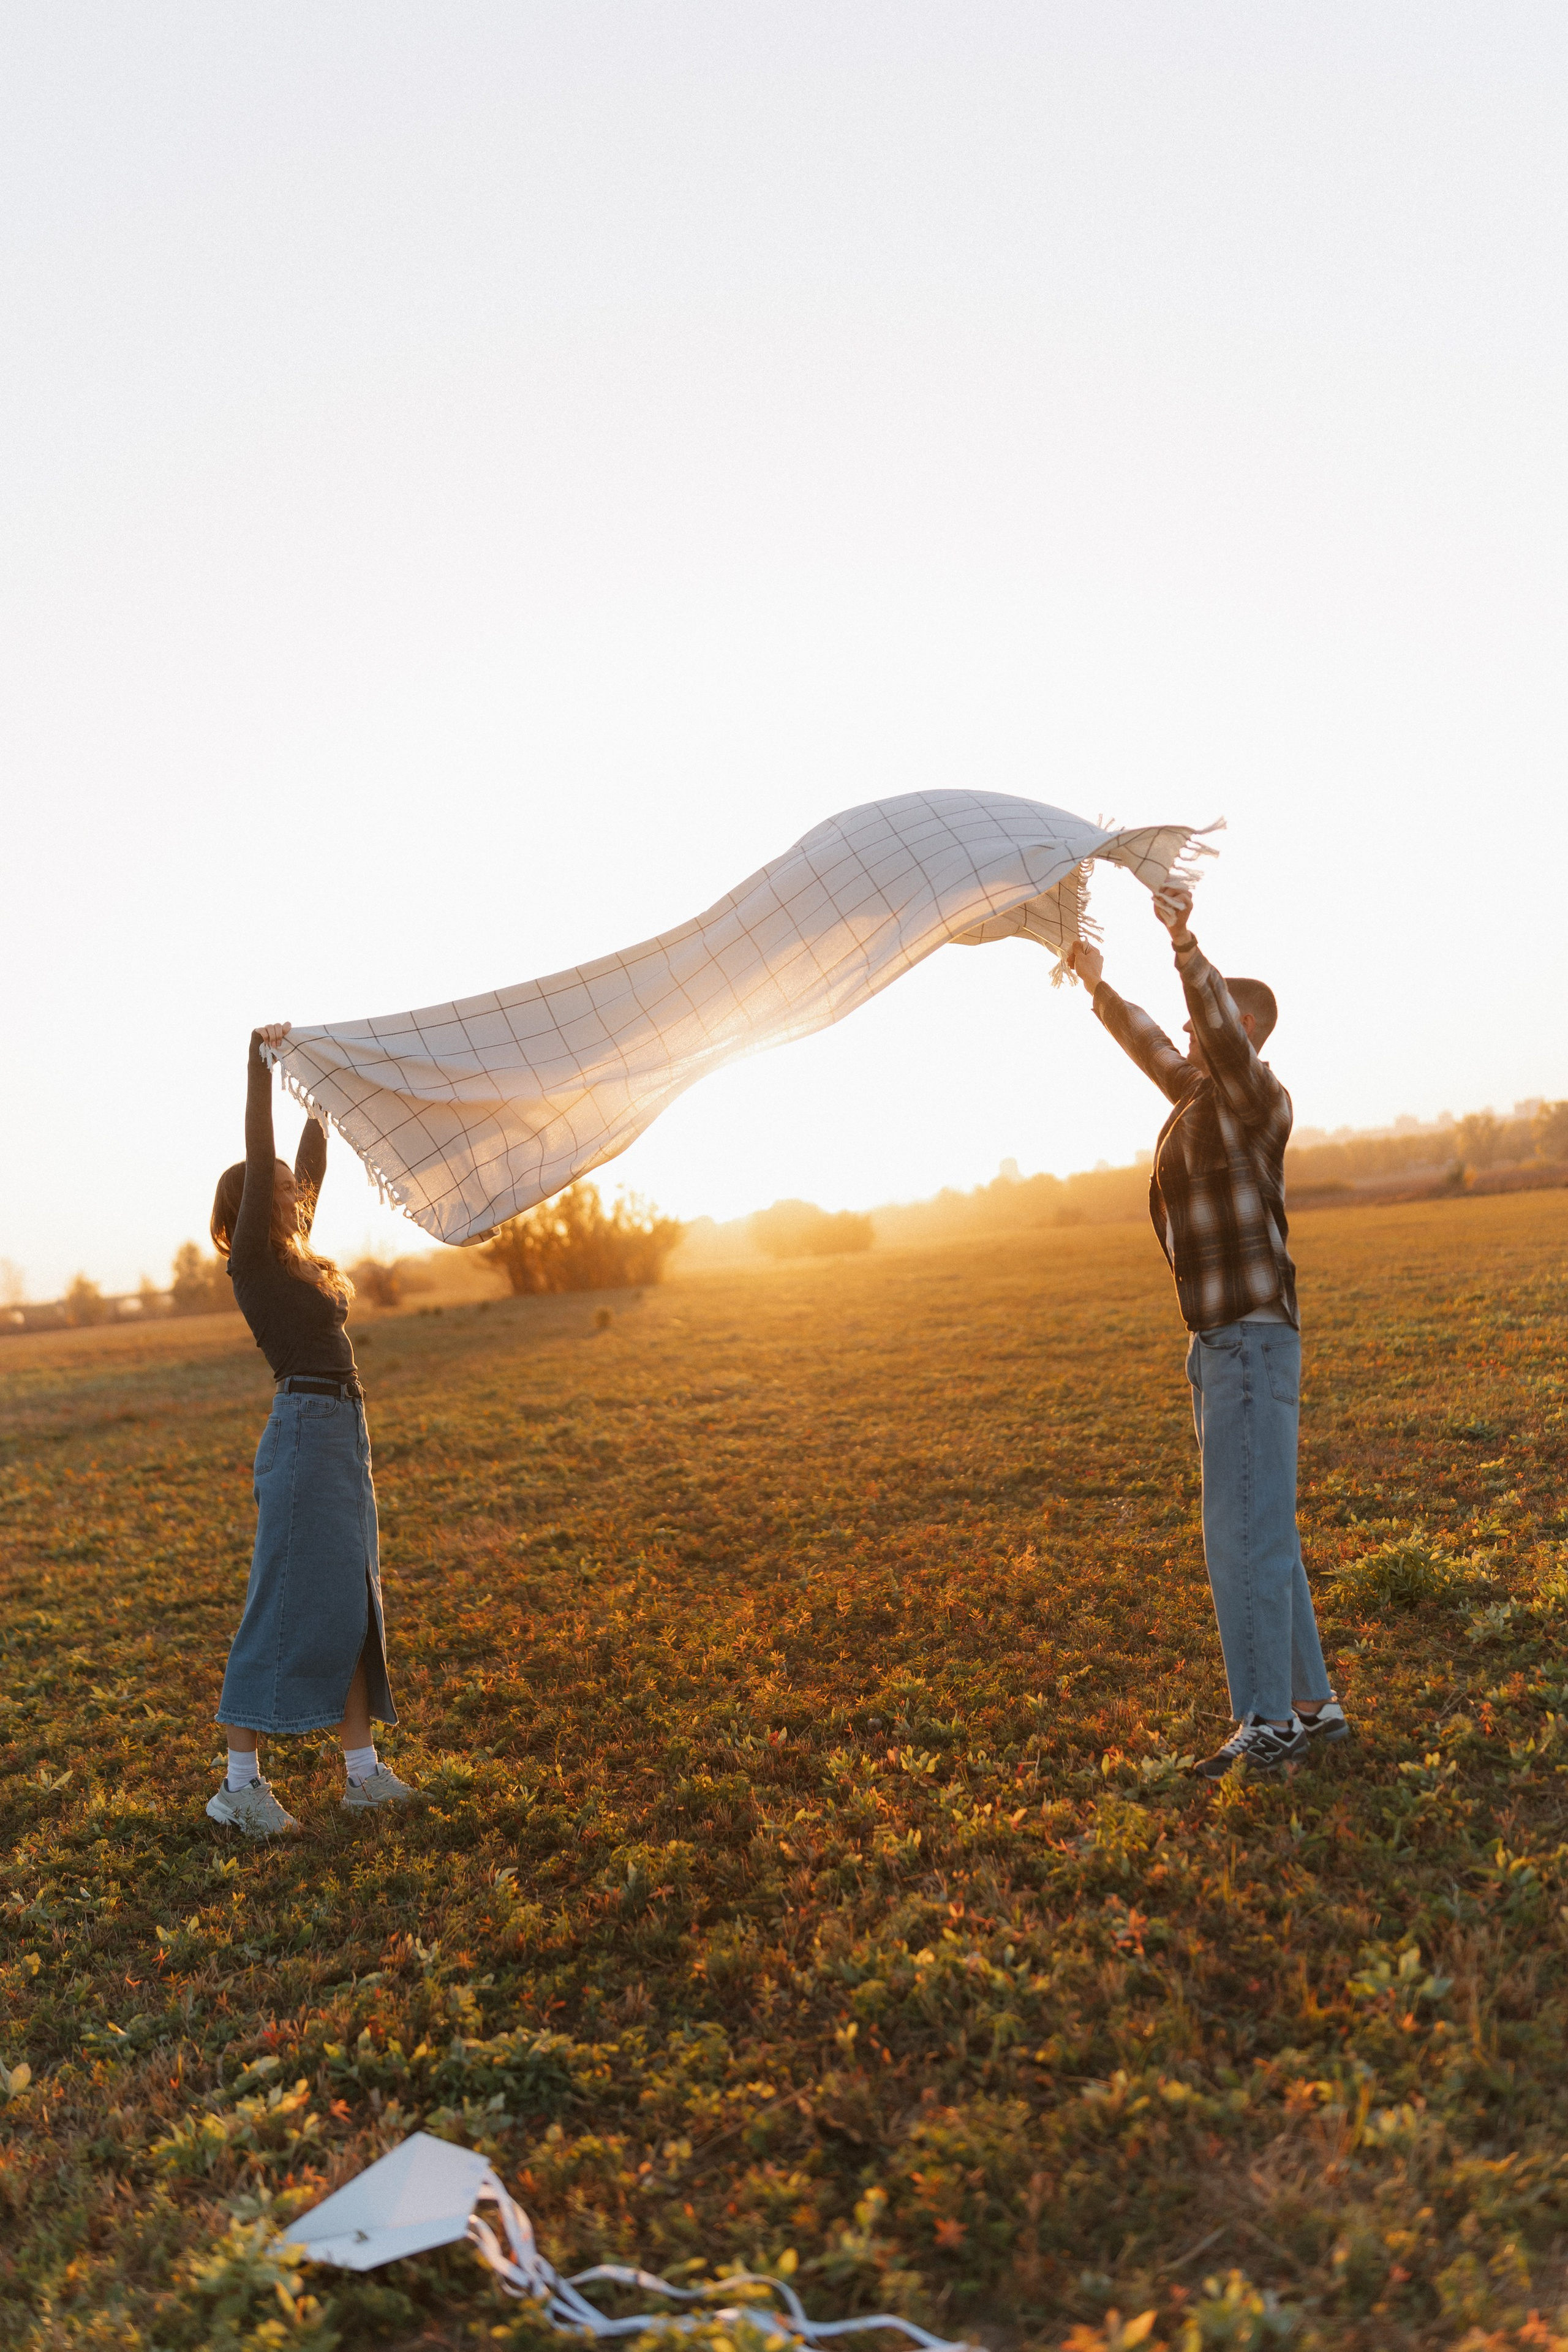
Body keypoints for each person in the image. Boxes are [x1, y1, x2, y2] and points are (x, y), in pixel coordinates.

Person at [1068, 889, 1349, 1779]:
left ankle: (1266, 1726)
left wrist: (1184, 942)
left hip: (1248, 1340)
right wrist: (1096, 985)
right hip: (1221, 1346)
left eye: (1212, 1020)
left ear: (1245, 1030)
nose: (1192, 1035)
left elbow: (1210, 1032)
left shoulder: (1258, 1101)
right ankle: (1313, 1707)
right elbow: (1153, 1041)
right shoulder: (1195, 1102)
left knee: (1240, 1535)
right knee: (1264, 1525)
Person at [205, 1022, 415, 1835]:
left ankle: (362, 1775)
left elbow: (309, 1162)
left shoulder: (297, 1254)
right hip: (303, 1429)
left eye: (295, 1187)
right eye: (280, 1187)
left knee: (353, 1600)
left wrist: (320, 1093)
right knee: (282, 1600)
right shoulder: (253, 1263)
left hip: (343, 1430)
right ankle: (239, 1787)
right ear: (253, 1202)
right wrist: (261, 1066)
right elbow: (266, 1159)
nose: (296, 1191)